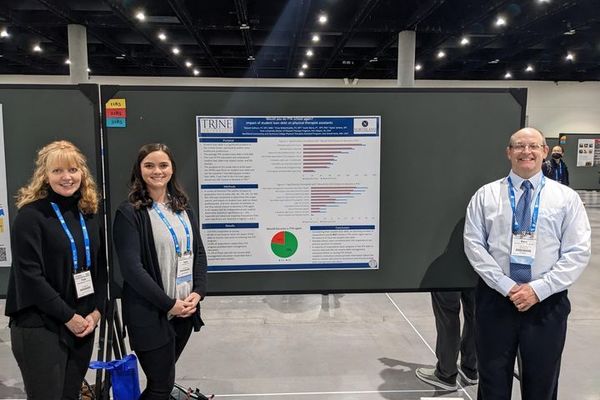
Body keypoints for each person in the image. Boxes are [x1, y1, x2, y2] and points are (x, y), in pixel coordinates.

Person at [464, 127, 591, 399]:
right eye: (519, 146)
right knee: (492, 384)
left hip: (547, 302)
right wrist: (507, 286)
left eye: (533, 146)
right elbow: (474, 246)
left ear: (544, 151)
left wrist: (538, 289)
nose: (526, 151)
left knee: (542, 385)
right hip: (496, 300)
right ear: (509, 152)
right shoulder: (485, 196)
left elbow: (577, 251)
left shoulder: (566, 199)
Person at [5, 140, 107, 400]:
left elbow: (100, 267)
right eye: (57, 171)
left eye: (72, 170)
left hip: (83, 323)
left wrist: (97, 311)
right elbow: (30, 277)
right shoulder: (30, 216)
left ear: (82, 173)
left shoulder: (89, 214)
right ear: (45, 175)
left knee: (70, 395)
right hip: (41, 325)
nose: (66, 177)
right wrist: (68, 317)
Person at [113, 143, 209, 400]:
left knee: (162, 383)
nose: (157, 171)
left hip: (184, 312)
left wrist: (198, 292)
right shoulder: (129, 212)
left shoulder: (183, 207)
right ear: (139, 170)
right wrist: (169, 304)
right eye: (149, 165)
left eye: (163, 165)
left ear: (172, 169)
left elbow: (198, 253)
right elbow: (132, 270)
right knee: (161, 386)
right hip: (151, 314)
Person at [415, 289, 477, 391]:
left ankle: (446, 374)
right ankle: (471, 368)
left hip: (450, 278)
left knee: (447, 312)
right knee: (474, 311)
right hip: (477, 278)